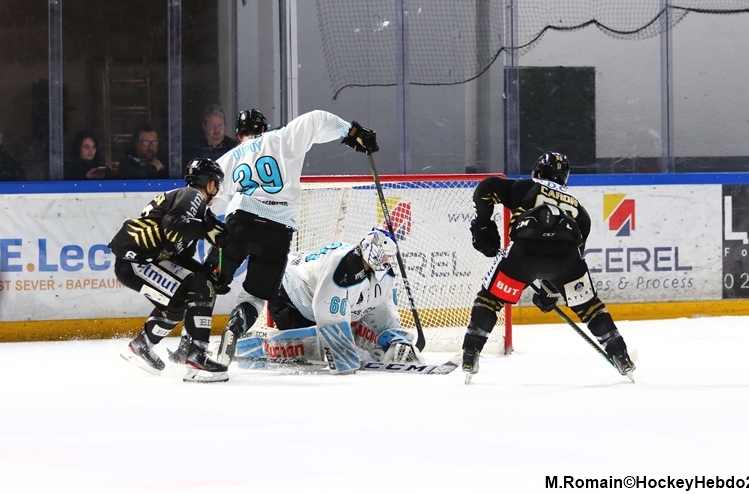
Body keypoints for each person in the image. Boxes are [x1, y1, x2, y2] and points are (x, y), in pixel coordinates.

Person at [198, 108, 379, 375]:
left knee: (207, 283)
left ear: (238, 135)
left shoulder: (226, 159)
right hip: (278, 231)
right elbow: (317, 118)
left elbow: (206, 197)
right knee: (256, 296)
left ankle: (195, 345)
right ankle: (235, 326)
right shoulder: (282, 137)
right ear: (264, 128)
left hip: (239, 224)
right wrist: (352, 132)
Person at [462, 151, 636, 383]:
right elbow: (569, 256)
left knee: (490, 299)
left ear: (539, 172)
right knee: (590, 307)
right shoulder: (579, 210)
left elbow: (487, 187)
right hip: (565, 259)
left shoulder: (526, 186)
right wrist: (551, 289)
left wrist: (483, 225)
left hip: (523, 253)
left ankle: (470, 353)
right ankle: (620, 355)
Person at [175, 229, 424, 373]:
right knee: (313, 344)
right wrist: (344, 359)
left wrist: (395, 338)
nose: (388, 261)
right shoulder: (343, 264)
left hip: (306, 288)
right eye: (386, 255)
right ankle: (257, 345)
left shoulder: (383, 273)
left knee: (358, 331)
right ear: (374, 251)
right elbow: (327, 313)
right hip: (290, 293)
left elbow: (382, 310)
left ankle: (242, 325)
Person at [113, 157, 231, 383]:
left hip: (137, 263)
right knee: (200, 288)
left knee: (181, 301)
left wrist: (209, 275)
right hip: (138, 264)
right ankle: (197, 357)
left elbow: (181, 257)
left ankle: (142, 345)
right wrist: (207, 228)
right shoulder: (192, 195)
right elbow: (173, 229)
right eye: (216, 184)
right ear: (210, 184)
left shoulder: (194, 208)